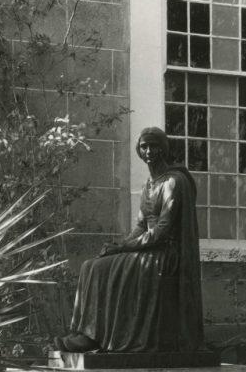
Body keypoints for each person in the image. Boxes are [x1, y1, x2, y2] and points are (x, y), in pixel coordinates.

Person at [56, 127, 204, 353]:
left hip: (165, 254)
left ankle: (97, 339)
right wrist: (119, 247)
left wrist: (124, 248)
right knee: (92, 266)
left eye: (153, 145)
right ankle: (85, 333)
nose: (148, 151)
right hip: (147, 248)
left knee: (118, 267)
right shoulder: (149, 184)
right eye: (144, 146)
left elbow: (161, 231)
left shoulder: (174, 182)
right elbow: (141, 226)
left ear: (163, 149)